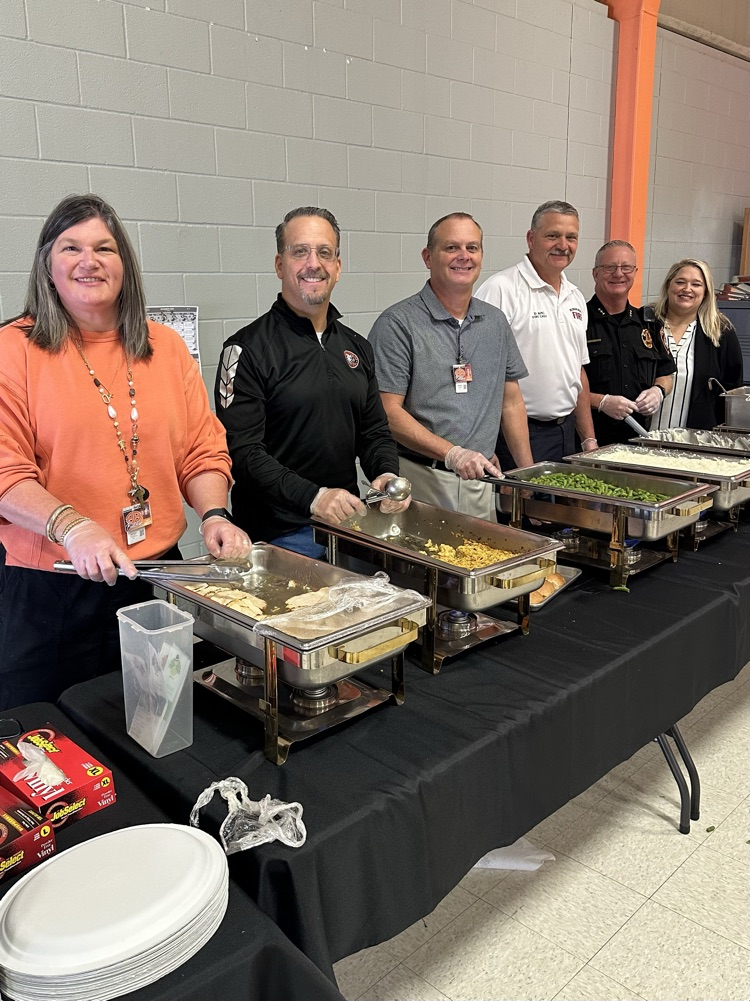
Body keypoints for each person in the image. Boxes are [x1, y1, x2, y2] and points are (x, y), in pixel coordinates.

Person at [0, 194, 249, 709]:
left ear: (125, 265)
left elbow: (202, 448)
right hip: (51, 588)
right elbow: (6, 471)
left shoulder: (165, 347)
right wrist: (73, 526)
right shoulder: (13, 349)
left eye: (104, 248)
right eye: (71, 247)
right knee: (47, 739)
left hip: (153, 577)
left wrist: (216, 514)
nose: (88, 261)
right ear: (48, 264)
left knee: (156, 725)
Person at [215, 206, 406, 559]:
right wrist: (314, 497)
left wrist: (384, 475)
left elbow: (374, 431)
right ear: (279, 265)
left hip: (347, 527)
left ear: (338, 266)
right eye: (299, 251)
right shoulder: (246, 350)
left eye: (324, 252)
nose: (313, 263)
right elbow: (243, 453)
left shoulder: (356, 346)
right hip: (278, 538)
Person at [368, 212, 533, 520]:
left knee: (483, 563)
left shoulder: (495, 321)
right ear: (428, 257)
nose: (464, 256)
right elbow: (387, 412)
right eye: (451, 248)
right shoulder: (398, 324)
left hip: (481, 482)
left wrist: (525, 476)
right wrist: (452, 454)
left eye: (472, 248)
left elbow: (511, 402)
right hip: (422, 481)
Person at [475, 200, 598, 462]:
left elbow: (578, 373)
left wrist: (588, 439)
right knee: (523, 504)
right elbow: (480, 374)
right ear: (531, 239)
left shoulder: (575, 297)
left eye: (571, 237)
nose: (562, 245)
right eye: (552, 235)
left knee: (563, 505)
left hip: (567, 433)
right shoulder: (500, 290)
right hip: (515, 435)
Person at [585, 240, 676, 445]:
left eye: (626, 267)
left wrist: (658, 391)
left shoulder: (649, 323)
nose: (618, 274)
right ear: (595, 273)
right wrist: (601, 402)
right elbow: (560, 387)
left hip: (639, 441)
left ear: (635, 272)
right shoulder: (578, 321)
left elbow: (666, 371)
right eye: (609, 267)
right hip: (590, 440)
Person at [651, 258, 744, 430]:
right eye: (680, 282)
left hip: (696, 440)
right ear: (668, 286)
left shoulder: (721, 333)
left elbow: (732, 392)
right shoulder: (646, 323)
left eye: (696, 284)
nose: (687, 289)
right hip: (640, 436)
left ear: (706, 291)